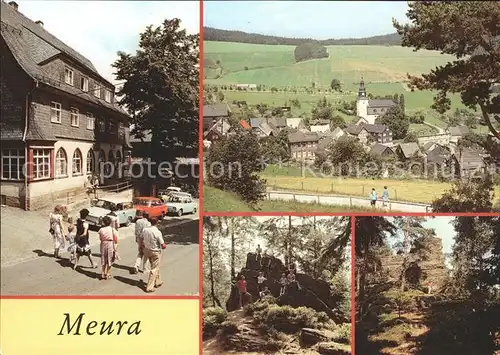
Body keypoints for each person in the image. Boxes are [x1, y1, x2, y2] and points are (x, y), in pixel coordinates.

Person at [141, 217, 166, 292]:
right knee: (154, 269)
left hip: (147, 250)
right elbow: (163, 245)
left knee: (155, 265)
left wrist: (141, 246)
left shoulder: (145, 230)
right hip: (155, 251)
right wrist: (164, 246)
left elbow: (141, 238)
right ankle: (149, 287)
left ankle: (157, 281)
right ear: (157, 223)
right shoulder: (157, 232)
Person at [98, 216, 119, 280]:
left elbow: (100, 238)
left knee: (104, 259)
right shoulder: (112, 229)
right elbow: (116, 239)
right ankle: (108, 273)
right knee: (110, 259)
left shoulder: (101, 230)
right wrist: (116, 247)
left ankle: (102, 273)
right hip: (110, 244)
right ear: (110, 222)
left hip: (103, 244)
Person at [133, 210, 151, 274]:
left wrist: (137, 238)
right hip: (145, 240)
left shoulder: (138, 221)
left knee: (140, 252)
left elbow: (136, 231)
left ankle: (136, 265)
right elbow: (147, 233)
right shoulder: (148, 223)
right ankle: (145, 269)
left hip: (138, 239)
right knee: (146, 254)